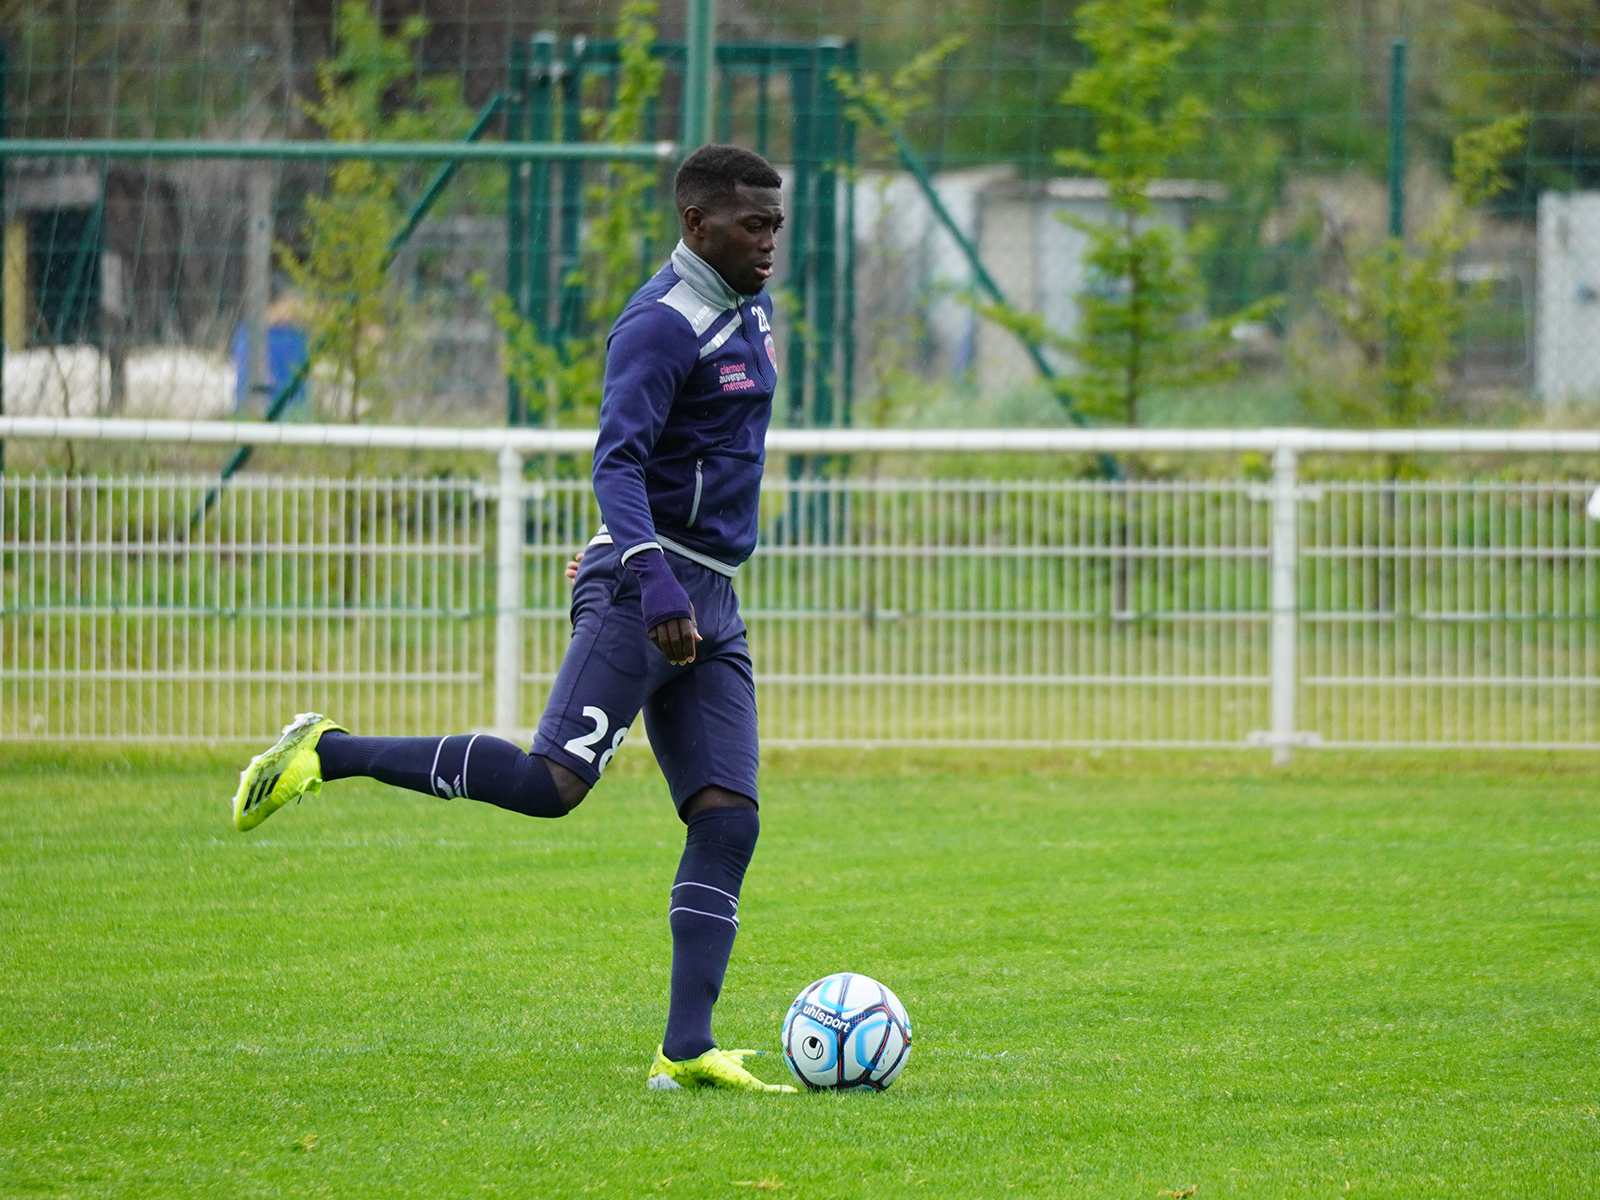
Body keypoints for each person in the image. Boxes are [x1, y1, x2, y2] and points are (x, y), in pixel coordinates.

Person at [229, 144, 792, 1094]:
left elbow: (694, 454)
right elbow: (618, 460)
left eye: (775, 224)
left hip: (713, 598)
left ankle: (685, 1051)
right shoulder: (659, 324)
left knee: (727, 819)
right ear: (698, 224)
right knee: (549, 785)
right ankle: (328, 751)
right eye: (753, 225)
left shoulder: (752, 308)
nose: (770, 241)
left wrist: (640, 555)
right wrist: (640, 569)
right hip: (651, 594)